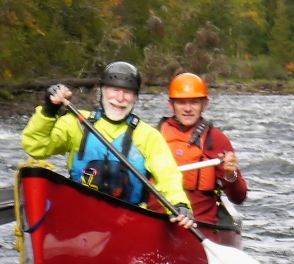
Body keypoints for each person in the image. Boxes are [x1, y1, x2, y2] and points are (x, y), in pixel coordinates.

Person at [21, 61, 195, 230]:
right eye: (114, 90)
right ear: (101, 91)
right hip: (80, 217)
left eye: (127, 92)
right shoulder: (77, 123)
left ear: (135, 98)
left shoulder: (148, 136)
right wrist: (49, 110)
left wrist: (179, 204)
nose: (120, 98)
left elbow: (168, 176)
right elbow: (35, 146)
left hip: (128, 222)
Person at [158, 72, 247, 226]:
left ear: (204, 105)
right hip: (159, 218)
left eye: (194, 102)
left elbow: (239, 198)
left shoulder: (217, 140)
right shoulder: (155, 135)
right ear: (171, 105)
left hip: (200, 223)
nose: (187, 109)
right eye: (181, 103)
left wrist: (230, 175)